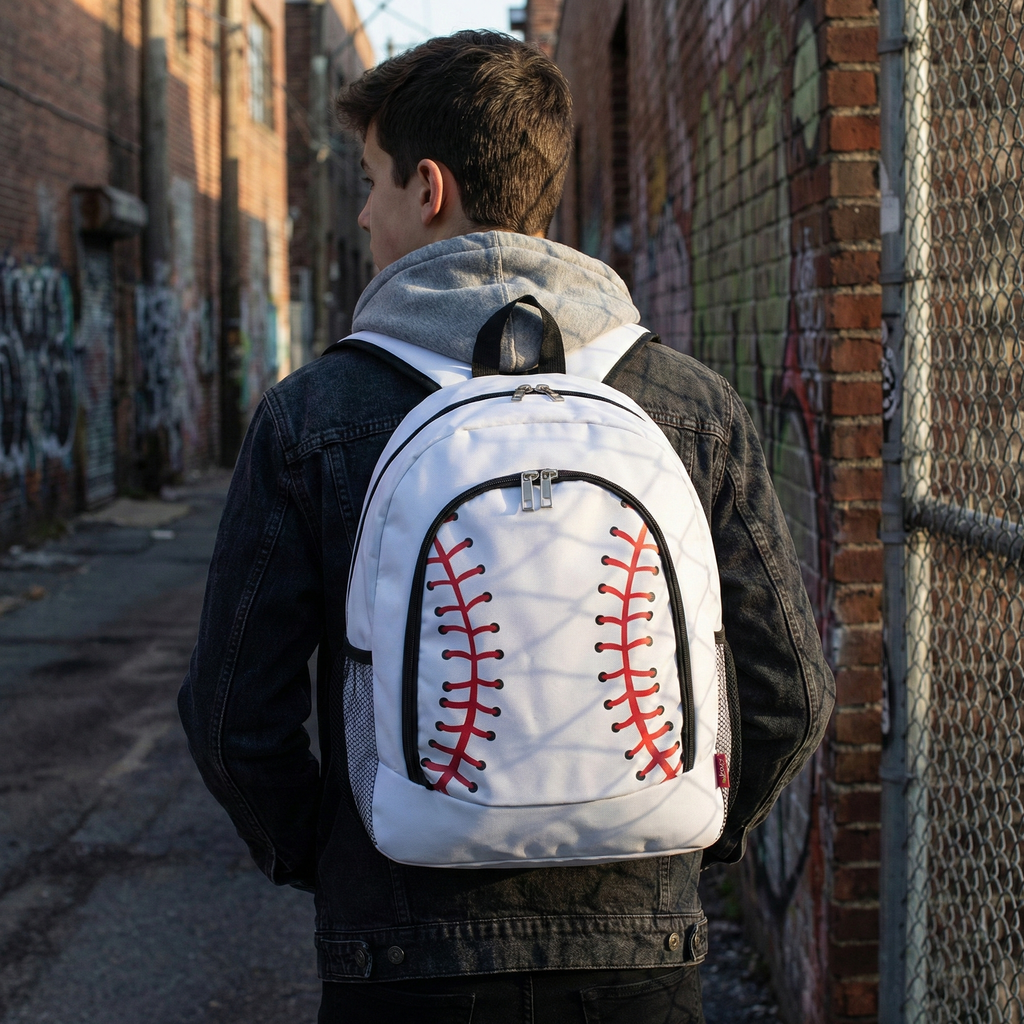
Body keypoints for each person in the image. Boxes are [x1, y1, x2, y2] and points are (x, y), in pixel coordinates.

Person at [179, 30, 834, 1024]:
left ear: (428, 187)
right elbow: (789, 685)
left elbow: (232, 716)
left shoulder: (310, 416)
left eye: (369, 181)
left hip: (399, 961)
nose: (360, 211)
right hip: (638, 951)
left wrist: (339, 855)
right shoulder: (687, 404)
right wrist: (683, 840)